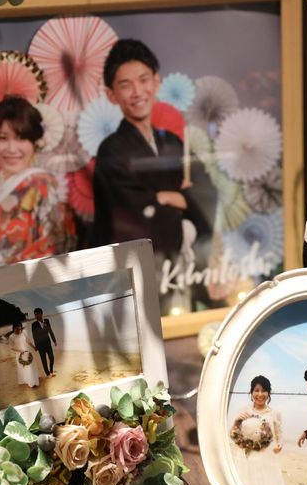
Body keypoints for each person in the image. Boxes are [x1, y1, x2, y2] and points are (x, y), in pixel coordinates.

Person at [90, 39, 216, 310]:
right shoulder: (111, 150)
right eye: (125, 85)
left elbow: (206, 194)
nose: (137, 92)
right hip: (142, 272)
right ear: (111, 94)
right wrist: (182, 202)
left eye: (143, 79)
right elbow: (132, 213)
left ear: (157, 81)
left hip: (184, 267)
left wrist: (170, 198)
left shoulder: (173, 143)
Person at [0, 95, 76, 269]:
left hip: (23, 283)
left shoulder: (41, 185)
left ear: (34, 143)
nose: (12, 149)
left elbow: (54, 252)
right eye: (3, 138)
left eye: (21, 138)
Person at [230, 375, 294, 485]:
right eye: (256, 390)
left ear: (269, 393)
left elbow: (279, 435)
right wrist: (236, 421)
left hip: (266, 459)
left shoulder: (275, 412)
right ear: (251, 392)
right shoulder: (243, 411)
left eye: (264, 390)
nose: (260, 394)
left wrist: (280, 445)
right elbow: (233, 435)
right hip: (245, 459)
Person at [8, 321, 40, 388]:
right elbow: (11, 347)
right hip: (20, 354)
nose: (19, 330)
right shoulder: (11, 337)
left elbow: (28, 341)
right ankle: (31, 382)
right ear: (14, 328)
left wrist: (34, 347)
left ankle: (33, 380)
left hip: (28, 352)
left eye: (20, 329)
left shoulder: (24, 332)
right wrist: (20, 351)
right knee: (25, 368)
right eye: (17, 329)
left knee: (31, 366)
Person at [31, 308, 57, 378]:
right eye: (35, 315)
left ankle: (51, 371)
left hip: (48, 343)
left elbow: (50, 331)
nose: (36, 316)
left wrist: (54, 340)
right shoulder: (34, 324)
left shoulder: (46, 321)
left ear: (41, 314)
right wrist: (36, 346)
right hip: (40, 345)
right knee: (44, 360)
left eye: (37, 314)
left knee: (52, 358)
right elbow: (34, 336)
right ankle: (48, 374)